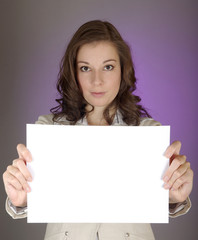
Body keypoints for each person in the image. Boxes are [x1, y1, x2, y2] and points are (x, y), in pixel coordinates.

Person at [3, 20, 193, 240]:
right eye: (85, 68)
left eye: (108, 67)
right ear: (73, 73)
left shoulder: (149, 133)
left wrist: (174, 195)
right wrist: (21, 199)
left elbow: (163, 198)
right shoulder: (48, 131)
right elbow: (32, 198)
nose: (97, 81)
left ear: (123, 70)